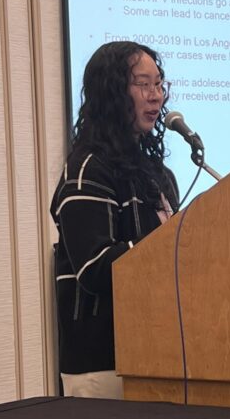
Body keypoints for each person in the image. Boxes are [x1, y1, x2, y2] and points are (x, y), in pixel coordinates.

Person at [50, 41, 179, 398]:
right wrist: (170, 242)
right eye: (143, 84)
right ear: (111, 93)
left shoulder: (158, 174)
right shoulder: (87, 170)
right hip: (103, 365)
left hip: (154, 354)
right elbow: (94, 267)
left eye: (159, 84)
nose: (155, 97)